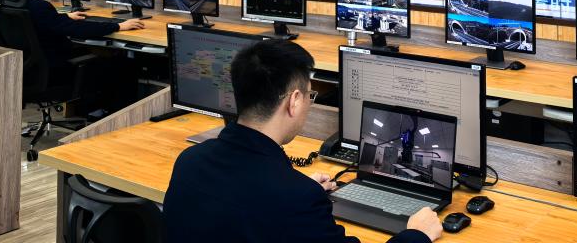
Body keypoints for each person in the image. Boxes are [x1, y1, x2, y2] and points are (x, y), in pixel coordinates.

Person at [162, 40, 442, 243]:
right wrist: (416, 234)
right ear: (294, 101)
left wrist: (297, 187)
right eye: (310, 95)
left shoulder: (190, 161)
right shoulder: (295, 199)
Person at [2, 0, 145, 111]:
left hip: (26, 72)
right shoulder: (39, 7)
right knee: (124, 65)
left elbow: (46, 22)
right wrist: (118, 26)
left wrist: (62, 17)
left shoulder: (5, 2)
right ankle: (111, 120)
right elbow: (78, 29)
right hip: (56, 73)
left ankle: (95, 113)